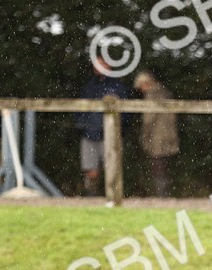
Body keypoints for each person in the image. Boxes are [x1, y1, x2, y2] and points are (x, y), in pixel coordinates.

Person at [74, 58, 130, 196]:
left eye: (102, 64)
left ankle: (113, 198)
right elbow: (80, 108)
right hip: (89, 134)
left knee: (113, 169)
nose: (98, 67)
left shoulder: (118, 86)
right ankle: (91, 200)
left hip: (110, 135)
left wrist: (119, 130)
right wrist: (82, 125)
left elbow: (127, 112)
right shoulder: (89, 86)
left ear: (109, 65)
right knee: (90, 170)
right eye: (96, 64)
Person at [133, 71, 179, 198]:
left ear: (146, 83)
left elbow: (149, 119)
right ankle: (166, 193)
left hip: (157, 135)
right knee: (165, 164)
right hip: (169, 133)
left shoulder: (152, 95)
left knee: (158, 165)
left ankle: (162, 195)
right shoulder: (165, 92)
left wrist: (144, 136)